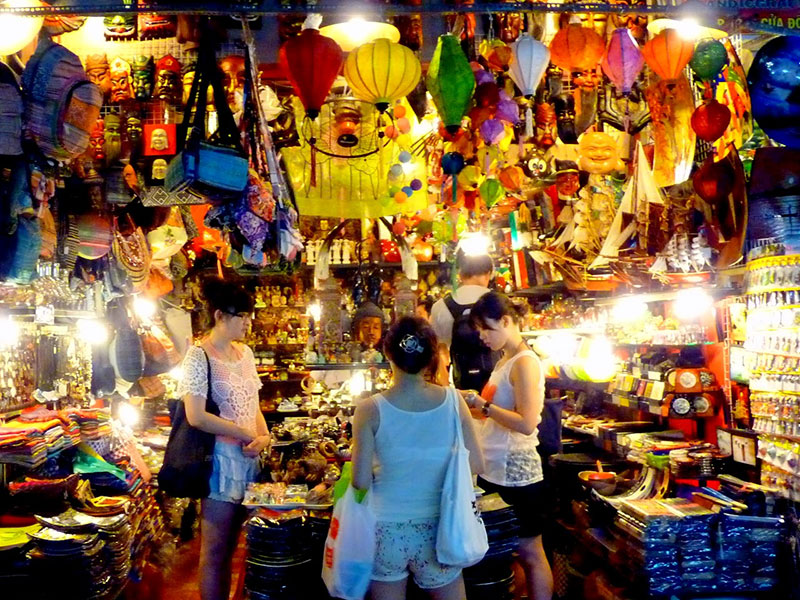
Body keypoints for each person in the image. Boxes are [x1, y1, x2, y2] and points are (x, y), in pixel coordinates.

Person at [351, 316, 484, 600]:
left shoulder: (368, 409)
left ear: (387, 353)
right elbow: (476, 464)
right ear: (432, 356)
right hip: (440, 529)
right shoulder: (453, 401)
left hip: (386, 529)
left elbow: (360, 482)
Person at [178, 277, 272, 600]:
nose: (248, 322)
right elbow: (196, 415)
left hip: (251, 461)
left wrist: (264, 434)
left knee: (240, 547)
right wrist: (242, 432)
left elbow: (253, 404)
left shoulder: (244, 354)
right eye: (241, 315)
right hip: (220, 462)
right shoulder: (198, 356)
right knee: (216, 550)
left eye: (249, 315)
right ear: (220, 316)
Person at [465, 291, 553, 600]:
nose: (482, 336)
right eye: (478, 330)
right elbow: (493, 412)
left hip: (518, 472)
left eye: (486, 328)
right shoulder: (505, 360)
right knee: (505, 550)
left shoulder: (525, 362)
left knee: (530, 550)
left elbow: (527, 422)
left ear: (505, 320)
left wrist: (483, 406)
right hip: (495, 468)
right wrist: (470, 403)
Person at [430, 250, 500, 391]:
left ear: (460, 275)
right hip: (498, 381)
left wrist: (445, 388)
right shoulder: (500, 302)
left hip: (461, 384)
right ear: (488, 273)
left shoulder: (441, 306)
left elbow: (438, 351)